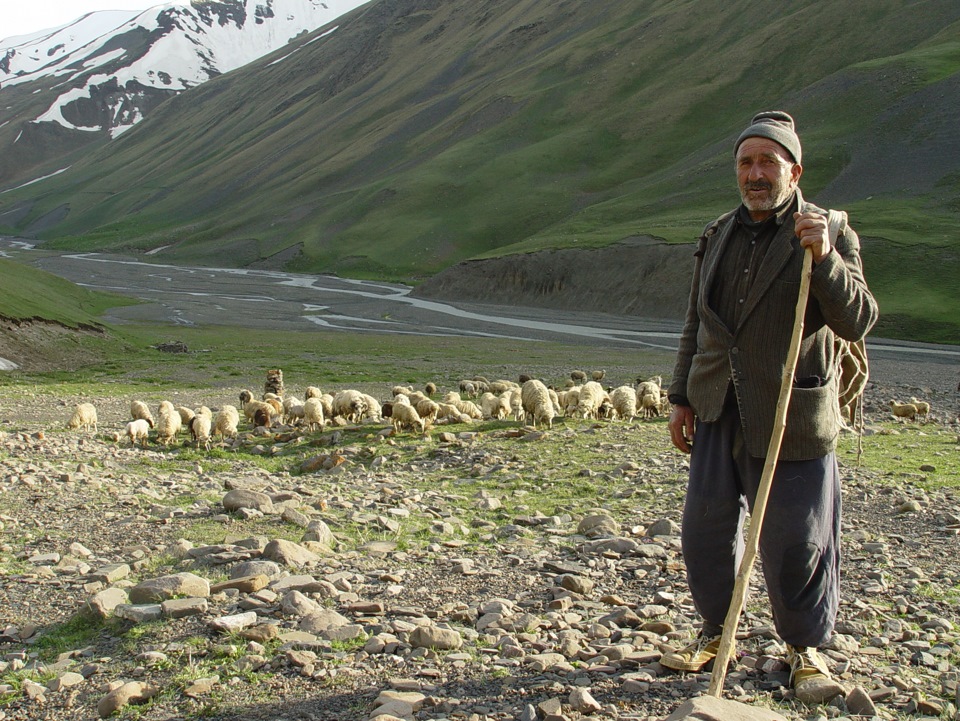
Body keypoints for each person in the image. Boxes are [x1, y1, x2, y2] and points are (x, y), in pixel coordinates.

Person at [662, 111, 879, 704]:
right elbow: (696, 325)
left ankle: (804, 646)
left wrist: (827, 258)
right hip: (717, 405)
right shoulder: (716, 234)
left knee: (796, 537)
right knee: (704, 532)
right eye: (746, 162)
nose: (755, 174)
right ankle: (716, 632)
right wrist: (680, 395)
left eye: (768, 162)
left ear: (794, 169)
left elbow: (857, 318)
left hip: (792, 412)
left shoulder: (828, 230)